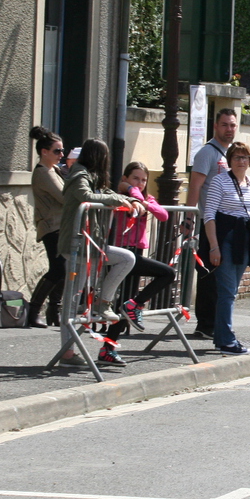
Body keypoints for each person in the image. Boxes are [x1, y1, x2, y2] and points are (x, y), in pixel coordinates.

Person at [57, 139, 140, 367]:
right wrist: (117, 199)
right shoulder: (79, 175)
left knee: (126, 258)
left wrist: (129, 199)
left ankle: (103, 302)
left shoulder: (93, 177)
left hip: (92, 244)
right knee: (72, 300)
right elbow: (87, 196)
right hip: (76, 245)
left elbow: (106, 192)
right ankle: (67, 353)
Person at [100, 162, 177, 366]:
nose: (140, 183)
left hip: (136, 251)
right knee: (167, 273)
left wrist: (142, 200)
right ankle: (135, 306)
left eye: (144, 180)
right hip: (121, 253)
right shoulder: (120, 197)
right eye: (135, 178)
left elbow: (163, 215)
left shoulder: (145, 198)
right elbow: (129, 202)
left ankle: (108, 349)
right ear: (125, 178)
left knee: (125, 303)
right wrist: (130, 191)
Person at [202, 140, 250, 355]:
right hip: (226, 239)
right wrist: (214, 247)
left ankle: (222, 338)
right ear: (229, 160)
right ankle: (227, 341)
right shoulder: (219, 181)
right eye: (237, 157)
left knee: (231, 292)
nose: (241, 161)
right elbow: (209, 215)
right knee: (227, 292)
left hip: (244, 240)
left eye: (245, 157)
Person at [186, 106, 240, 340]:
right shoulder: (207, 153)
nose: (229, 129)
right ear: (216, 126)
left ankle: (218, 322)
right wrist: (189, 219)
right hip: (209, 221)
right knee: (208, 273)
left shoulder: (231, 154)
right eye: (225, 125)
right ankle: (205, 325)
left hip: (226, 224)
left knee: (223, 274)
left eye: (232, 125)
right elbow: (195, 187)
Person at [26, 126, 66, 328]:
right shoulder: (44, 173)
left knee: (62, 269)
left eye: (62, 150)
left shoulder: (54, 170)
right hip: (52, 227)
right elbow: (64, 197)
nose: (61, 155)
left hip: (60, 226)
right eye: (57, 151)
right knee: (58, 269)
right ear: (44, 152)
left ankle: (53, 310)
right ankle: (34, 310)